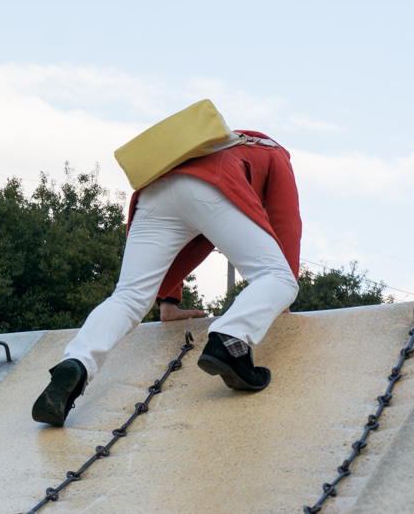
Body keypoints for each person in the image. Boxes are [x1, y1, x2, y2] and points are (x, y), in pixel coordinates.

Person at [32, 129, 301, 427]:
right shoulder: (273, 151)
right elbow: (285, 220)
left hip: (154, 191)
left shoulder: (204, 148)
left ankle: (76, 362)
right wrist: (279, 302)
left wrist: (169, 302)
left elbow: (188, 237)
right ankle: (230, 340)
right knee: (279, 277)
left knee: (129, 296)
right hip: (210, 186)